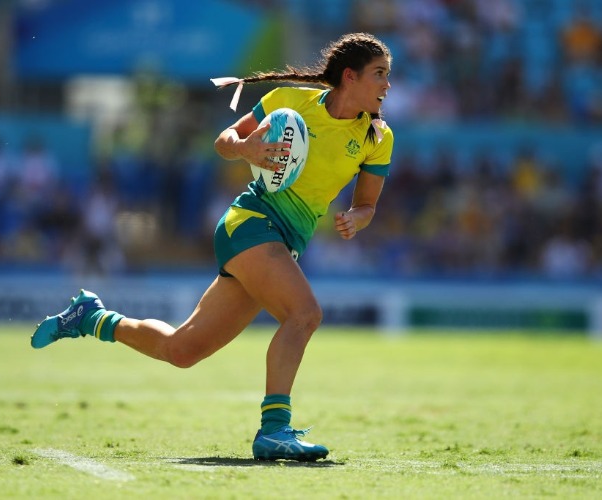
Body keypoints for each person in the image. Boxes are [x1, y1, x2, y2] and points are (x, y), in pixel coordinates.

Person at [30, 32, 394, 462]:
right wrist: (247, 149)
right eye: (380, 75)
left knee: (182, 350)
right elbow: (224, 142)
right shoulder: (290, 102)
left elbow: (367, 204)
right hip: (250, 223)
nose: (388, 86)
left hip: (285, 241)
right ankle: (275, 430)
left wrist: (356, 218)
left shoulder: (378, 136)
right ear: (349, 77)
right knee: (305, 313)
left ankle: (91, 318)